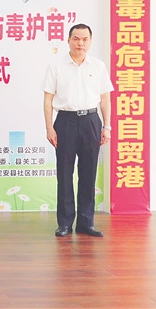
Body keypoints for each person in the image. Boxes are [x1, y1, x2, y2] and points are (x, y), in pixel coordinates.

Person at [42, 23, 113, 238]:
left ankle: (86, 222)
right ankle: (64, 223)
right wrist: (49, 127)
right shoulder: (56, 66)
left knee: (88, 173)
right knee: (64, 173)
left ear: (90, 41)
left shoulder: (98, 66)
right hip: (65, 121)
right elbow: (48, 99)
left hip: (91, 120)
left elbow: (105, 99)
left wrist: (106, 126)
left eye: (84, 39)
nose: (80, 43)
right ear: (68, 40)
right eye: (76, 38)